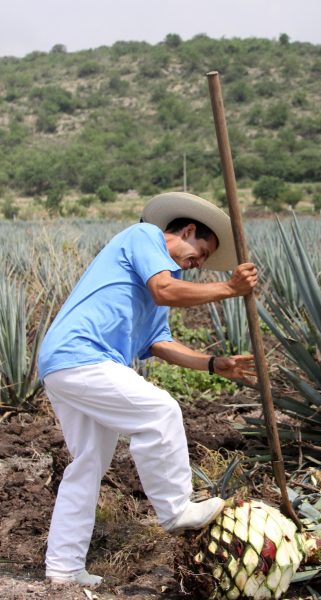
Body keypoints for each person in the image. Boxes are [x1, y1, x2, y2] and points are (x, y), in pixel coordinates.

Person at [37, 191, 258, 587]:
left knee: (87, 465)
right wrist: (228, 288)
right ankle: (175, 509)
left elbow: (161, 344)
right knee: (160, 411)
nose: (198, 264)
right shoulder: (145, 238)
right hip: (82, 355)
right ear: (186, 230)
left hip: (65, 364)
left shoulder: (163, 285)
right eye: (200, 252)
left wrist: (213, 364)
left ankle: (63, 568)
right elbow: (165, 291)